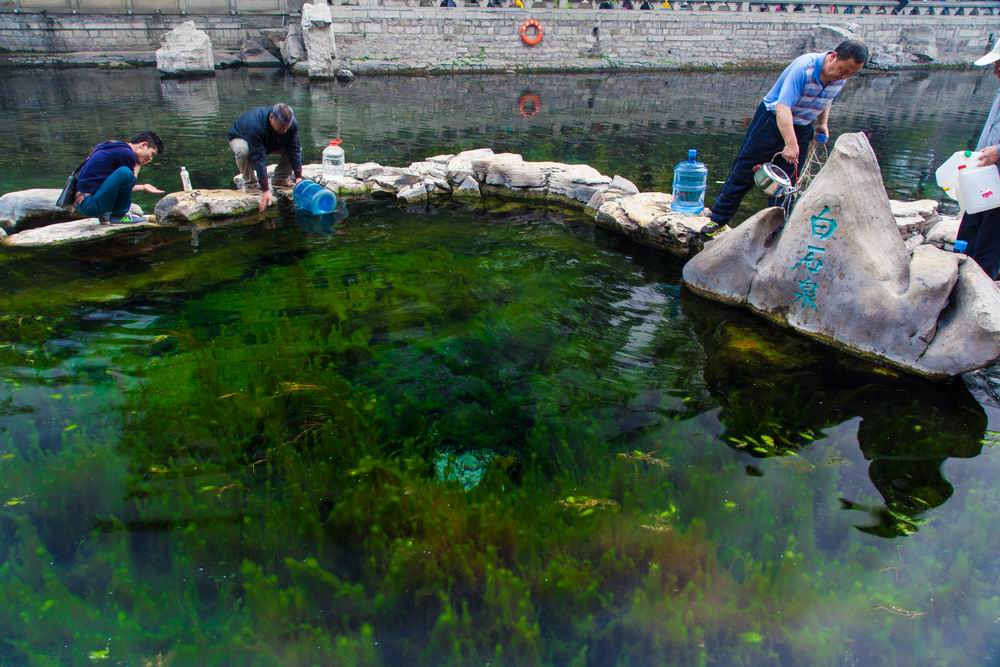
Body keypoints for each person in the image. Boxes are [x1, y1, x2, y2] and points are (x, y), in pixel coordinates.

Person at [702, 40, 868, 235]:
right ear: (833, 56)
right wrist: (790, 143)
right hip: (771, 122)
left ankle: (776, 229)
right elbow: (783, 107)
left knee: (787, 183)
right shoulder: (803, 68)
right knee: (744, 172)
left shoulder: (840, 76)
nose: (845, 75)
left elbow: (827, 98)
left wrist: (822, 123)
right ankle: (718, 220)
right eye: (843, 69)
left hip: (802, 126)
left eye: (851, 73)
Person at [955, 42, 1000, 280]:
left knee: (990, 242)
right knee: (968, 233)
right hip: (985, 178)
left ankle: (980, 291)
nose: (995, 72)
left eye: (999, 66)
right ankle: (959, 281)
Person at [73, 131, 164, 224]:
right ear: (143, 145)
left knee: (125, 174)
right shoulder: (127, 154)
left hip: (84, 203)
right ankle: (120, 216)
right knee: (125, 172)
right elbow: (130, 180)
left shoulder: (114, 147)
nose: (150, 159)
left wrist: (143, 187)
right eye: (152, 154)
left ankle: (106, 216)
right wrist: (138, 164)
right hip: (90, 204)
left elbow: (119, 186)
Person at [228, 103, 303, 213]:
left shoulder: (291, 125)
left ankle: (280, 180)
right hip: (241, 138)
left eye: (287, 127)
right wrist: (265, 190)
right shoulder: (255, 124)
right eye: (282, 127)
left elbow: (294, 149)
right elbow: (259, 159)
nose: (285, 131)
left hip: (270, 141)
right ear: (271, 117)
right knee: (243, 151)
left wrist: (298, 178)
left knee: (295, 149)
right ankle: (251, 185)